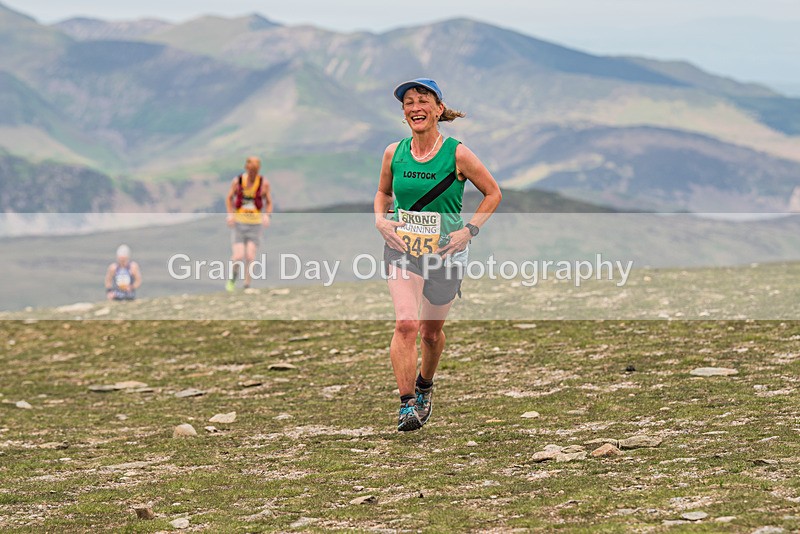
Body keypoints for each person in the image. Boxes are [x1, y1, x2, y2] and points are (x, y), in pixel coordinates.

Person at [374, 78, 502, 431]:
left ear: (438, 109)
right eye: (408, 102)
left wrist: (468, 230)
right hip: (403, 249)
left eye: (422, 100)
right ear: (404, 113)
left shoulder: (457, 153)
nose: (415, 107)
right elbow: (383, 193)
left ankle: (425, 385)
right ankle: (406, 405)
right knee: (406, 323)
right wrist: (381, 221)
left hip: (446, 254)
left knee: (430, 334)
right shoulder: (393, 153)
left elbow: (493, 193)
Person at [225, 156, 273, 291]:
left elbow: (269, 202)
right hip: (239, 223)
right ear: (246, 168)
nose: (253, 174)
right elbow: (229, 198)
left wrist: (267, 215)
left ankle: (247, 284)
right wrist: (230, 214)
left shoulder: (263, 183)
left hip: (255, 224)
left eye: (255, 171)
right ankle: (232, 279)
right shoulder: (238, 181)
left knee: (250, 256)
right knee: (238, 256)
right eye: (251, 171)